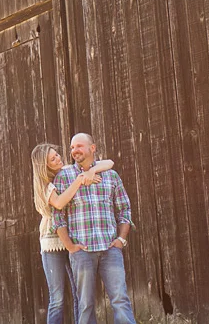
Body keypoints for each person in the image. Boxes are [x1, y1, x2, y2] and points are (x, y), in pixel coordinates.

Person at [52, 133, 136, 324]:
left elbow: (124, 209)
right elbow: (57, 216)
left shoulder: (111, 176)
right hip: (82, 251)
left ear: (92, 148)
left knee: (120, 299)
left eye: (79, 146)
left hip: (110, 249)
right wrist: (70, 246)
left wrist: (121, 240)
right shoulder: (64, 177)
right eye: (72, 147)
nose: (74, 151)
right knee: (85, 304)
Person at [31, 142, 113, 324]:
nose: (58, 159)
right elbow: (59, 203)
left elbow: (109, 163)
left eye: (57, 155)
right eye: (53, 159)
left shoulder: (68, 172)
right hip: (53, 244)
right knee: (57, 298)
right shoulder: (45, 186)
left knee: (80, 294)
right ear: (44, 166)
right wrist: (80, 179)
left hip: (73, 237)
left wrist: (91, 171)